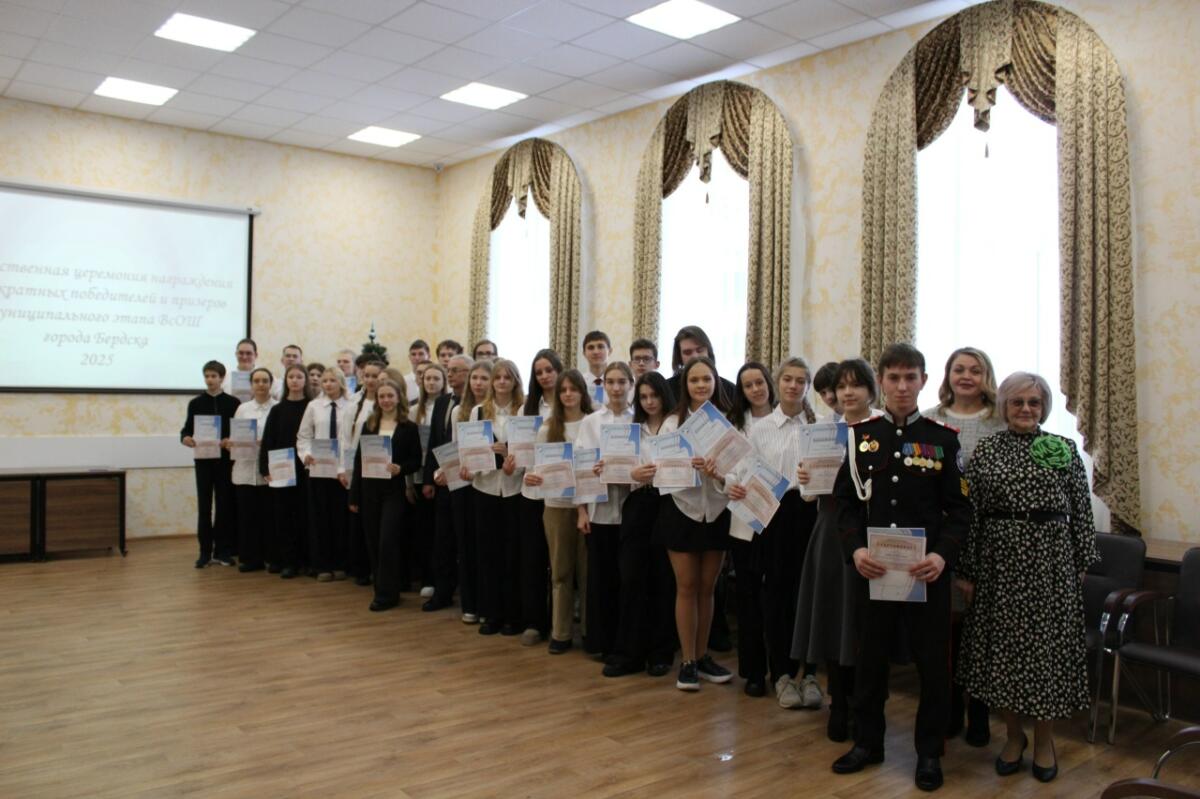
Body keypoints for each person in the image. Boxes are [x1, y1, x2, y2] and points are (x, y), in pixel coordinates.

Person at [830, 343, 970, 792]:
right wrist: (855, 551)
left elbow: (959, 510)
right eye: (894, 378)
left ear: (924, 381)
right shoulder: (861, 436)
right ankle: (868, 742)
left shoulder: (942, 439)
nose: (903, 386)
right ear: (881, 382)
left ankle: (929, 752)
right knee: (869, 661)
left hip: (925, 574)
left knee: (933, 666)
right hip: (874, 572)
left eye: (911, 377)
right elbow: (846, 506)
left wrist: (942, 555)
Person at [956, 372, 1097, 783]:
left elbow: (1081, 511)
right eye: (1017, 402)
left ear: (1044, 407)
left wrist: (1081, 563)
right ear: (1004, 406)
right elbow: (972, 514)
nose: (1026, 409)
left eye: (1034, 402)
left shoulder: (1063, 449)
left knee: (1045, 657)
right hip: (999, 565)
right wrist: (967, 571)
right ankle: (1014, 737)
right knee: (1004, 656)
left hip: (1051, 567)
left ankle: (1045, 741)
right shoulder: (987, 450)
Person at [725, 360, 822, 706]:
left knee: (806, 596)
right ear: (777, 383)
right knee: (777, 596)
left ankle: (809, 674)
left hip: (810, 513)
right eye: (788, 380)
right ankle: (781, 674)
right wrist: (732, 484)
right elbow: (740, 471)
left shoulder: (818, 427)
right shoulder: (759, 428)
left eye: (801, 381)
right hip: (773, 514)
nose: (794, 386)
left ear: (808, 386)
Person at [793, 358, 880, 740]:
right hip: (830, 530)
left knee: (863, 624)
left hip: (872, 532)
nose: (847, 393)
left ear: (871, 390)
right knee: (832, 617)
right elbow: (809, 495)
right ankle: (838, 702)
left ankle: (864, 704)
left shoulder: (883, 427)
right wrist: (805, 478)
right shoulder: (823, 432)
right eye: (841, 387)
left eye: (855, 385)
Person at [923, 346, 1006, 746]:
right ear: (948, 375)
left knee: (984, 630)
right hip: (945, 538)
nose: (967, 376)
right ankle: (951, 707)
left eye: (975, 370)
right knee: (950, 630)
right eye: (959, 369)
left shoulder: (1001, 423)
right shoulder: (930, 420)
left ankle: (981, 713)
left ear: (986, 377)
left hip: (990, 540)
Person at [659, 356, 735, 691]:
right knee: (686, 587)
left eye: (706, 379)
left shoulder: (728, 423)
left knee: (708, 588)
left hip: (716, 511)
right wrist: (684, 467)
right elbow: (662, 473)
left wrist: (717, 473)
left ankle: (703, 656)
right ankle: (687, 661)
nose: (701, 385)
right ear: (685, 385)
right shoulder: (671, 424)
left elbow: (738, 471)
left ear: (715, 382)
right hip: (683, 510)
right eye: (694, 380)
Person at [602, 372, 677, 678]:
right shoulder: (631, 431)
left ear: (664, 395)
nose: (649, 402)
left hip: (668, 505)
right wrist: (630, 474)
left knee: (663, 579)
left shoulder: (677, 426)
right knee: (632, 578)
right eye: (643, 397)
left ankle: (660, 653)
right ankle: (629, 652)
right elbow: (616, 472)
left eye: (654, 396)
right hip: (637, 504)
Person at [524, 369, 593, 653]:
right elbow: (534, 469)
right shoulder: (547, 429)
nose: (567, 394)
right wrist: (532, 477)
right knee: (561, 572)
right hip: (556, 507)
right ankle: (560, 633)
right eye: (563, 390)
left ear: (582, 392)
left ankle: (590, 632)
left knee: (588, 573)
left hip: (590, 507)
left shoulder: (593, 423)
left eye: (573, 389)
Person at [460, 358, 525, 636]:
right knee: (488, 553)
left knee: (512, 554)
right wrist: (467, 469)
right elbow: (468, 451)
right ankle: (491, 613)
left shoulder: (524, 411)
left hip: (514, 489)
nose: (501, 382)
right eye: (497, 377)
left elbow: (530, 451)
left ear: (515, 382)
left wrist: (512, 458)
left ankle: (513, 616)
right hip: (485, 488)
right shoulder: (477, 412)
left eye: (507, 377)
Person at [577, 361, 635, 660]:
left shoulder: (639, 420)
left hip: (632, 511)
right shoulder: (591, 422)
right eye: (610, 382)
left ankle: (624, 642)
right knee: (600, 579)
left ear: (631, 385)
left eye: (622, 382)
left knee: (627, 580)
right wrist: (581, 511)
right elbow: (581, 466)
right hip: (599, 510)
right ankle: (600, 641)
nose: (616, 388)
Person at [349, 379, 422, 612]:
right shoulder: (369, 425)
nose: (386, 400)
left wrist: (401, 468)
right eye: (382, 396)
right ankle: (381, 590)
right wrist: (354, 496)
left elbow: (415, 461)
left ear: (398, 397)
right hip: (369, 489)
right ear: (377, 399)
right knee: (373, 541)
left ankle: (388, 594)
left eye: (390, 395)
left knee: (388, 540)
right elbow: (359, 461)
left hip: (393, 490)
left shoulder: (408, 427)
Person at [512, 349, 563, 645]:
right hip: (531, 493)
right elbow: (520, 455)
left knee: (560, 564)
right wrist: (516, 466)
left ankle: (560, 625)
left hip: (561, 494)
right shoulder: (526, 410)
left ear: (558, 371)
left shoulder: (571, 403)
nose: (544, 376)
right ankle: (534, 622)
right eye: (539, 372)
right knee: (532, 559)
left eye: (548, 370)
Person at [441, 360, 491, 624]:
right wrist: (444, 470)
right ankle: (470, 604)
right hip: (462, 485)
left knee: (485, 546)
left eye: (484, 378)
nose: (478, 383)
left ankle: (487, 605)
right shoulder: (458, 411)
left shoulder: (495, 411)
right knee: (466, 544)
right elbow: (454, 449)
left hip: (486, 484)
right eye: (475, 378)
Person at [423, 354, 473, 612]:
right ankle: (442, 592)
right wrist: (429, 478)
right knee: (442, 539)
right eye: (449, 370)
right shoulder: (443, 402)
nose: (450, 374)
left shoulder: (476, 403)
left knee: (465, 541)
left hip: (468, 481)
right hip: (443, 479)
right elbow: (435, 441)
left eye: (456, 370)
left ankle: (469, 597)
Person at [180, 360, 241, 568]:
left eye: (214, 376)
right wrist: (186, 438)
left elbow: (237, 431)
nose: (210, 380)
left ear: (222, 378)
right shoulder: (196, 403)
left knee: (224, 506)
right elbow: (186, 429)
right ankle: (204, 552)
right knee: (204, 507)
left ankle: (222, 551)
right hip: (203, 462)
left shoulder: (233, 403)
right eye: (207, 376)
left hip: (225, 462)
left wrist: (230, 440)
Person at [297, 367, 350, 582]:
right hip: (318, 469)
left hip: (342, 470)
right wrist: (306, 454)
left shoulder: (351, 406)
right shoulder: (314, 406)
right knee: (319, 518)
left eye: (332, 380)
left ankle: (340, 563)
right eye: (325, 381)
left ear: (341, 382)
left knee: (340, 518)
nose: (328, 384)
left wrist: (344, 467)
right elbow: (303, 436)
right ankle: (322, 565)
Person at [258, 364, 312, 579]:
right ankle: (288, 561)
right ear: (286, 381)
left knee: (305, 516)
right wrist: (265, 468)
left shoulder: (311, 407)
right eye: (291, 377)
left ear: (305, 381)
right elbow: (268, 441)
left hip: (306, 469)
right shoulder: (277, 410)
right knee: (283, 516)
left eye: (299, 377)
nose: (295, 380)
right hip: (282, 470)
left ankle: (305, 561)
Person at [226, 367, 276, 573]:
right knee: (247, 517)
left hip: (269, 471)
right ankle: (250, 558)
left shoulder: (277, 408)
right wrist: (231, 443)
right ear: (251, 385)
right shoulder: (243, 409)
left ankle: (270, 556)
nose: (261, 384)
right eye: (256, 381)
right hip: (244, 470)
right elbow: (235, 436)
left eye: (265, 380)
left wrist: (265, 442)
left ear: (271, 384)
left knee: (269, 517)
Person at [342, 357, 384, 585]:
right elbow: (345, 439)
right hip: (356, 466)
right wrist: (344, 468)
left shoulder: (386, 402)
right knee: (357, 517)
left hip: (379, 466)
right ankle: (360, 569)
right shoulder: (353, 403)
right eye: (366, 375)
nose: (370, 380)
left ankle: (377, 569)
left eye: (375, 376)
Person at [412, 362, 448, 599]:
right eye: (428, 378)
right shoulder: (414, 409)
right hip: (418, 473)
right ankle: (425, 576)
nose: (432, 382)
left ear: (443, 382)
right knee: (423, 529)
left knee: (440, 531)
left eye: (436, 378)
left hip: (442, 473)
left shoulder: (448, 406)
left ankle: (439, 578)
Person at [581, 330, 611, 404]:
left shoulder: (622, 382)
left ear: (610, 351)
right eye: (591, 348)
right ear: (584, 353)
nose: (596, 352)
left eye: (600, 347)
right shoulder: (578, 383)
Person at [405, 339, 430, 405]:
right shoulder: (404, 381)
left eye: (421, 354)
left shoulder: (436, 379)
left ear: (428, 356)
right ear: (409, 357)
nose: (417, 358)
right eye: (413, 354)